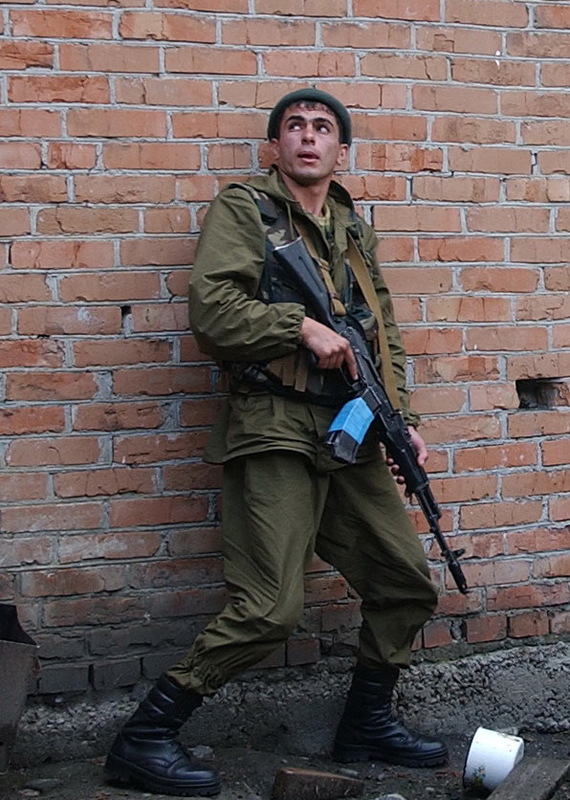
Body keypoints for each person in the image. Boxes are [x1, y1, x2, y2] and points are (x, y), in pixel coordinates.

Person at [105, 88, 447, 797]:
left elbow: (382, 330)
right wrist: (296, 328)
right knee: (269, 609)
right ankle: (143, 737)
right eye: (294, 127)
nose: (308, 137)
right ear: (275, 146)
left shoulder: (353, 226)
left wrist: (401, 418)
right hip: (273, 429)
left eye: (323, 129)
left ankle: (366, 723)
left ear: (341, 151)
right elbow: (213, 311)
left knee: (407, 582)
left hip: (347, 433)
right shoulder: (244, 209)